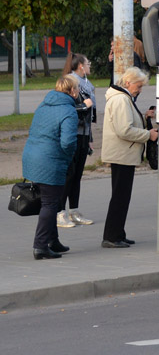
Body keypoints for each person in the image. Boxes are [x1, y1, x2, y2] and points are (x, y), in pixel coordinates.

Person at [21, 76, 79, 260]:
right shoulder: (69, 111)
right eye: (77, 89)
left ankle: (53, 241)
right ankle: (40, 246)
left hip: (32, 157)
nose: (78, 92)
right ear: (72, 91)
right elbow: (68, 142)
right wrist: (69, 157)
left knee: (51, 201)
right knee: (50, 203)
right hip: (50, 161)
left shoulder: (44, 105)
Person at [101, 67, 158, 248]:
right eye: (138, 86)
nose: (139, 90)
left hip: (123, 153)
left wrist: (144, 117)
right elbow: (124, 130)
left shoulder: (123, 98)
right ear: (128, 83)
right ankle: (111, 236)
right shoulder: (120, 100)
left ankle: (118, 233)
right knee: (120, 196)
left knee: (122, 196)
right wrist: (148, 135)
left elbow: (126, 123)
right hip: (122, 154)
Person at [58, 55, 97, 228]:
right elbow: (65, 107)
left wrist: (89, 137)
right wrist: (84, 106)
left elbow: (89, 116)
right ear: (80, 66)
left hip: (83, 135)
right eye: (88, 63)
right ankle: (60, 213)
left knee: (78, 175)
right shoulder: (70, 82)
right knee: (68, 175)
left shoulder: (86, 82)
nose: (90, 66)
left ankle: (74, 211)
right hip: (71, 135)